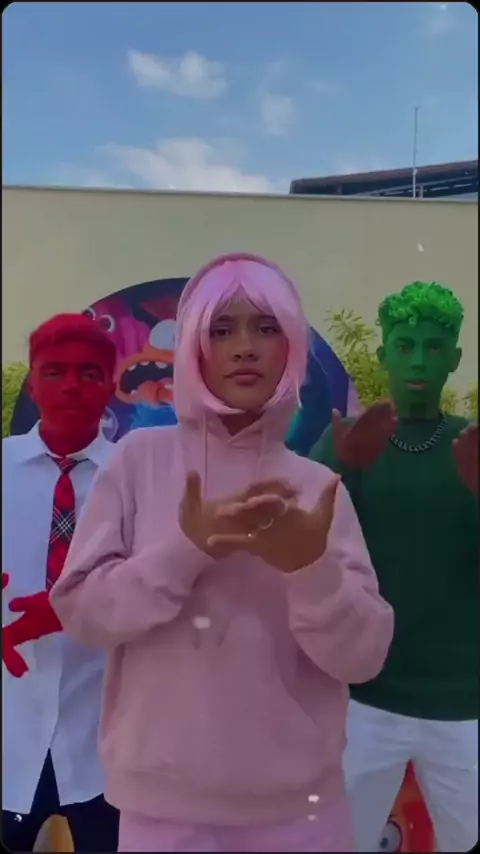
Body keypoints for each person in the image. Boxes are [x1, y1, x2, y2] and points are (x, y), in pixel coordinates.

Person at [51, 253, 394, 854]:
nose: (245, 348)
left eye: (266, 328)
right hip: (161, 811)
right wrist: (185, 550)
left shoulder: (317, 488)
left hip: (301, 813)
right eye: (222, 329)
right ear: (192, 347)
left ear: (290, 348)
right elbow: (83, 615)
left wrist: (309, 569)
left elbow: (364, 656)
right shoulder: (137, 462)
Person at [310, 282, 478, 852]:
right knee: (339, 841)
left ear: (454, 357)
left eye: (434, 347)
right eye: (405, 346)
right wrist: (343, 464)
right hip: (366, 698)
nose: (419, 361)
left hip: (463, 702)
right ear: (383, 354)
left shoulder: (471, 446)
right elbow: (301, 541)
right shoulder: (347, 440)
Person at [2, 313, 120, 852]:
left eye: (88, 372)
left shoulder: (137, 478)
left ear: (110, 385)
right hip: (10, 729)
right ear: (32, 384)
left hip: (103, 738)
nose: (71, 385)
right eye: (54, 372)